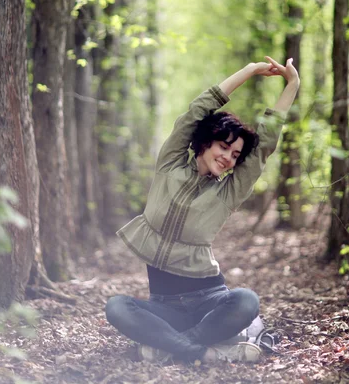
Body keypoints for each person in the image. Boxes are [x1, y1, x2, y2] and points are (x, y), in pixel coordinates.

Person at [105, 56, 300, 364]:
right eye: (224, 147)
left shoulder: (228, 192)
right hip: (164, 305)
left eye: (235, 155)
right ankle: (208, 352)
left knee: (246, 301)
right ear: (206, 142)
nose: (228, 158)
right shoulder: (169, 164)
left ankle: (170, 348)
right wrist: (249, 71)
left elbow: (264, 145)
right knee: (116, 306)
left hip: (209, 301)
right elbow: (194, 113)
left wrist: (292, 85)